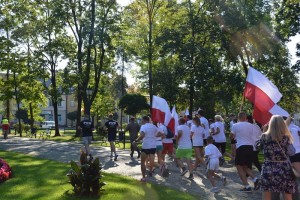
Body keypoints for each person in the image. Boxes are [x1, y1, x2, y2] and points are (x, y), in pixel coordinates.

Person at [256, 115, 297, 200]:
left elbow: (256, 147)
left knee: (266, 193)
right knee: (287, 194)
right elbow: (292, 152)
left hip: (268, 168)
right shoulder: (286, 138)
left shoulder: (264, 137)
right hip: (284, 169)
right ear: (282, 124)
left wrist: (264, 131)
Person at [230, 112, 259, 192]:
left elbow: (231, 136)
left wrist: (233, 136)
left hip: (241, 147)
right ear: (246, 118)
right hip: (250, 147)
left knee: (239, 166)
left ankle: (247, 186)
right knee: (245, 167)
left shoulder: (235, 125)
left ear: (238, 117)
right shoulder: (251, 125)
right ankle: (255, 179)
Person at [133, 116, 162, 182]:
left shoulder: (144, 126)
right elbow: (161, 134)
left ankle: (143, 177)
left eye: (141, 120)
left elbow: (142, 135)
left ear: (144, 120)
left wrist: (136, 140)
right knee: (152, 160)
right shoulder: (154, 126)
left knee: (142, 162)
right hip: (153, 146)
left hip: (146, 146)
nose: (141, 121)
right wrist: (154, 136)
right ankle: (151, 171)